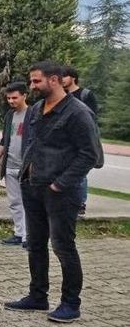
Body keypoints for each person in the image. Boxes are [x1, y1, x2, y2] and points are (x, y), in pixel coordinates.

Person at [4, 61, 100, 323]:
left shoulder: (78, 113)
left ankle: (71, 303)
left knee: (62, 246)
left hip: (61, 192)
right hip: (32, 187)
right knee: (35, 244)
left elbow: (91, 155)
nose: (32, 86)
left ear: (55, 80)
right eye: (31, 81)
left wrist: (60, 183)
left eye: (36, 81)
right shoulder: (36, 109)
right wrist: (26, 175)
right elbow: (32, 145)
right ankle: (37, 296)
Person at [0, 82, 34, 248]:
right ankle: (19, 233)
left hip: (27, 168)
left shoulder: (33, 114)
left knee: (29, 203)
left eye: (14, 97)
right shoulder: (10, 115)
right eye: (8, 98)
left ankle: (30, 237)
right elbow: (4, 140)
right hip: (10, 165)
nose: (11, 101)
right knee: (15, 202)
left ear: (24, 96)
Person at [62, 66, 98, 216]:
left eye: (64, 76)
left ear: (73, 78)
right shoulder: (61, 95)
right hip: (65, 139)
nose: (61, 79)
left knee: (80, 171)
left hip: (81, 138)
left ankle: (80, 203)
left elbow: (92, 118)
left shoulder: (85, 94)